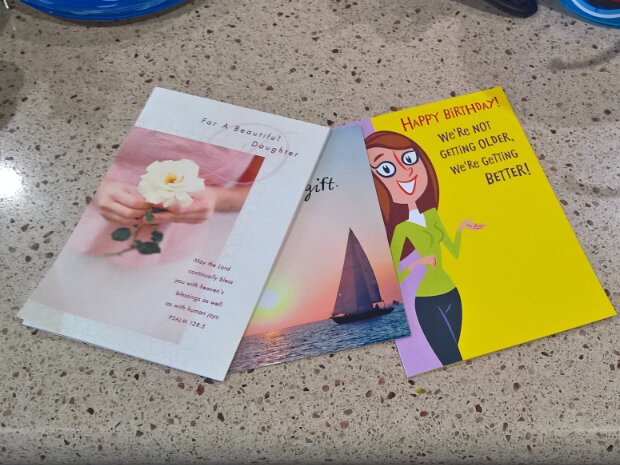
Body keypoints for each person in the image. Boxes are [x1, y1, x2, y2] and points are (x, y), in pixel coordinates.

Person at [365, 131, 484, 365]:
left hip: (452, 293)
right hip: (427, 301)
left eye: (409, 159)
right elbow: (394, 278)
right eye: (387, 169)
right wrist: (417, 263)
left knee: (455, 357)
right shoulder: (401, 229)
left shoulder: (432, 215)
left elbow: (453, 251)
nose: (406, 171)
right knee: (451, 357)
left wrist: (461, 229)